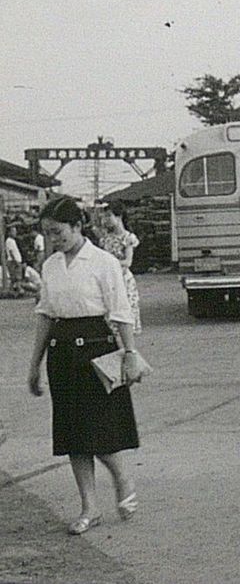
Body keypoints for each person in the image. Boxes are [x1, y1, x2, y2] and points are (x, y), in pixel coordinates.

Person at [26, 196, 141, 535]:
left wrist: (131, 354)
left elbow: (121, 312)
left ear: (77, 226)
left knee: (100, 431)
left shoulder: (103, 262)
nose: (53, 240)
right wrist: (34, 364)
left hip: (96, 349)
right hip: (62, 353)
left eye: (58, 232)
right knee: (73, 435)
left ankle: (122, 476)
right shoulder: (51, 265)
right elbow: (45, 315)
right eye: (47, 233)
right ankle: (89, 508)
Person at [100, 201, 143, 337]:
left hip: (124, 281)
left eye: (108, 216)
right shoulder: (105, 239)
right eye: (104, 217)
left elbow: (128, 262)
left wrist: (110, 263)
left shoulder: (128, 238)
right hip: (108, 281)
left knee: (124, 316)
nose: (105, 220)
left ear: (119, 217)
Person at [4, 225, 24, 293]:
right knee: (17, 277)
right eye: (13, 231)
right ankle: (18, 290)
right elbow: (11, 251)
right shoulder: (9, 241)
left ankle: (12, 291)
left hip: (16, 260)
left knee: (16, 278)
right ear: (9, 232)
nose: (15, 233)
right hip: (13, 261)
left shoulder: (13, 240)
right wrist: (15, 261)